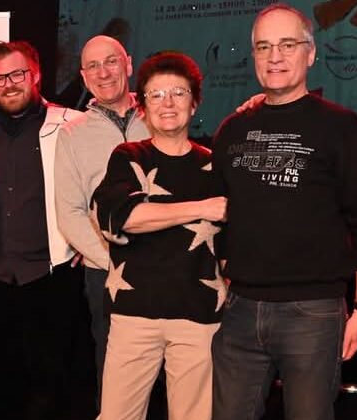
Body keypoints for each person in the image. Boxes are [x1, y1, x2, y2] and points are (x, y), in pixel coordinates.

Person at [210, 5, 357, 420]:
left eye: (287, 45)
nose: (275, 57)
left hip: (313, 312)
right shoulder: (232, 129)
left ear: (311, 53)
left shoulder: (343, 129)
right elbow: (223, 216)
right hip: (241, 309)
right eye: (263, 47)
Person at [0, 41, 97, 420]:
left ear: (35, 75)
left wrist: (93, 237)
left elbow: (105, 183)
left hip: (54, 278)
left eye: (17, 74)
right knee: (2, 387)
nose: (8, 84)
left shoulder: (73, 124)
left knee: (56, 388)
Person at [91, 51, 226, 420]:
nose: (168, 103)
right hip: (134, 314)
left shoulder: (214, 165)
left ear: (195, 103)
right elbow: (126, 218)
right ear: (142, 107)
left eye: (179, 93)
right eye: (157, 95)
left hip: (198, 315)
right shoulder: (128, 156)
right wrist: (202, 208)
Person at [54, 35, 150, 394]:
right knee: (116, 378)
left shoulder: (160, 114)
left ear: (128, 64)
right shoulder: (72, 134)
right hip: (108, 275)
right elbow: (69, 212)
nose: (103, 72)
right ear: (83, 76)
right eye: (92, 66)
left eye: (111, 61)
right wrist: (112, 261)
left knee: (171, 375)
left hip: (169, 269)